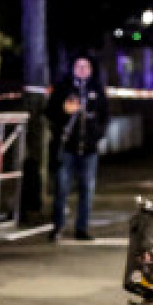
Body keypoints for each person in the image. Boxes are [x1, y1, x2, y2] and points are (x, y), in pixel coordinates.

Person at [45, 53, 109, 242]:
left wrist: (97, 134)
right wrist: (64, 112)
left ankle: (82, 228)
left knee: (87, 189)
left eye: (85, 66)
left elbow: (105, 115)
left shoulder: (96, 89)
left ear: (91, 70)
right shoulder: (63, 87)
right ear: (72, 68)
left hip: (89, 149)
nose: (82, 70)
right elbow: (50, 113)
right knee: (62, 188)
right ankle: (58, 226)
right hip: (67, 148)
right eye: (78, 66)